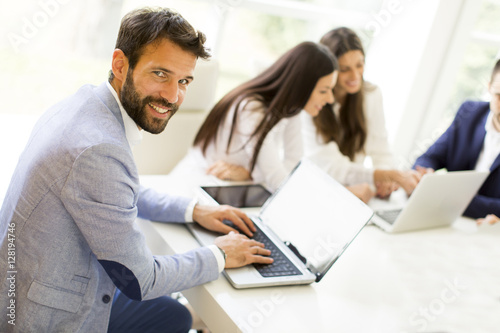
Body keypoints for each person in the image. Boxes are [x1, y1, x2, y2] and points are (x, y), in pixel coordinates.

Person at [0, 7, 273, 333]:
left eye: (183, 80)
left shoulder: (85, 105)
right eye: (160, 74)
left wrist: (193, 210)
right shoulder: (99, 149)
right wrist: (220, 254)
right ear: (120, 64)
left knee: (174, 314)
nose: (173, 96)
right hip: (45, 317)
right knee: (171, 311)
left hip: (35, 285)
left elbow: (113, 192)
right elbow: (141, 279)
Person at [172, 42, 338, 191]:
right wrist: (256, 174)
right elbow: (276, 179)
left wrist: (249, 174)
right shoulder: (252, 108)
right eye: (323, 91)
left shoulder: (292, 110)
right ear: (300, 87)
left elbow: (294, 166)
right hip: (200, 183)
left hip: (234, 188)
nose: (330, 99)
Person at [301, 27, 420, 203]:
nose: (355, 76)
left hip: (356, 194)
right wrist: (386, 175)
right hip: (318, 193)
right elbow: (332, 167)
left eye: (360, 65)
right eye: (345, 69)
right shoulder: (312, 101)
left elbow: (381, 150)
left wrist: (384, 177)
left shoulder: (371, 94)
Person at [414, 58, 500, 219]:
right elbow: (429, 158)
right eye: (499, 95)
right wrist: (425, 174)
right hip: (445, 219)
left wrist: (446, 197)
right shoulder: (470, 113)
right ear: (489, 88)